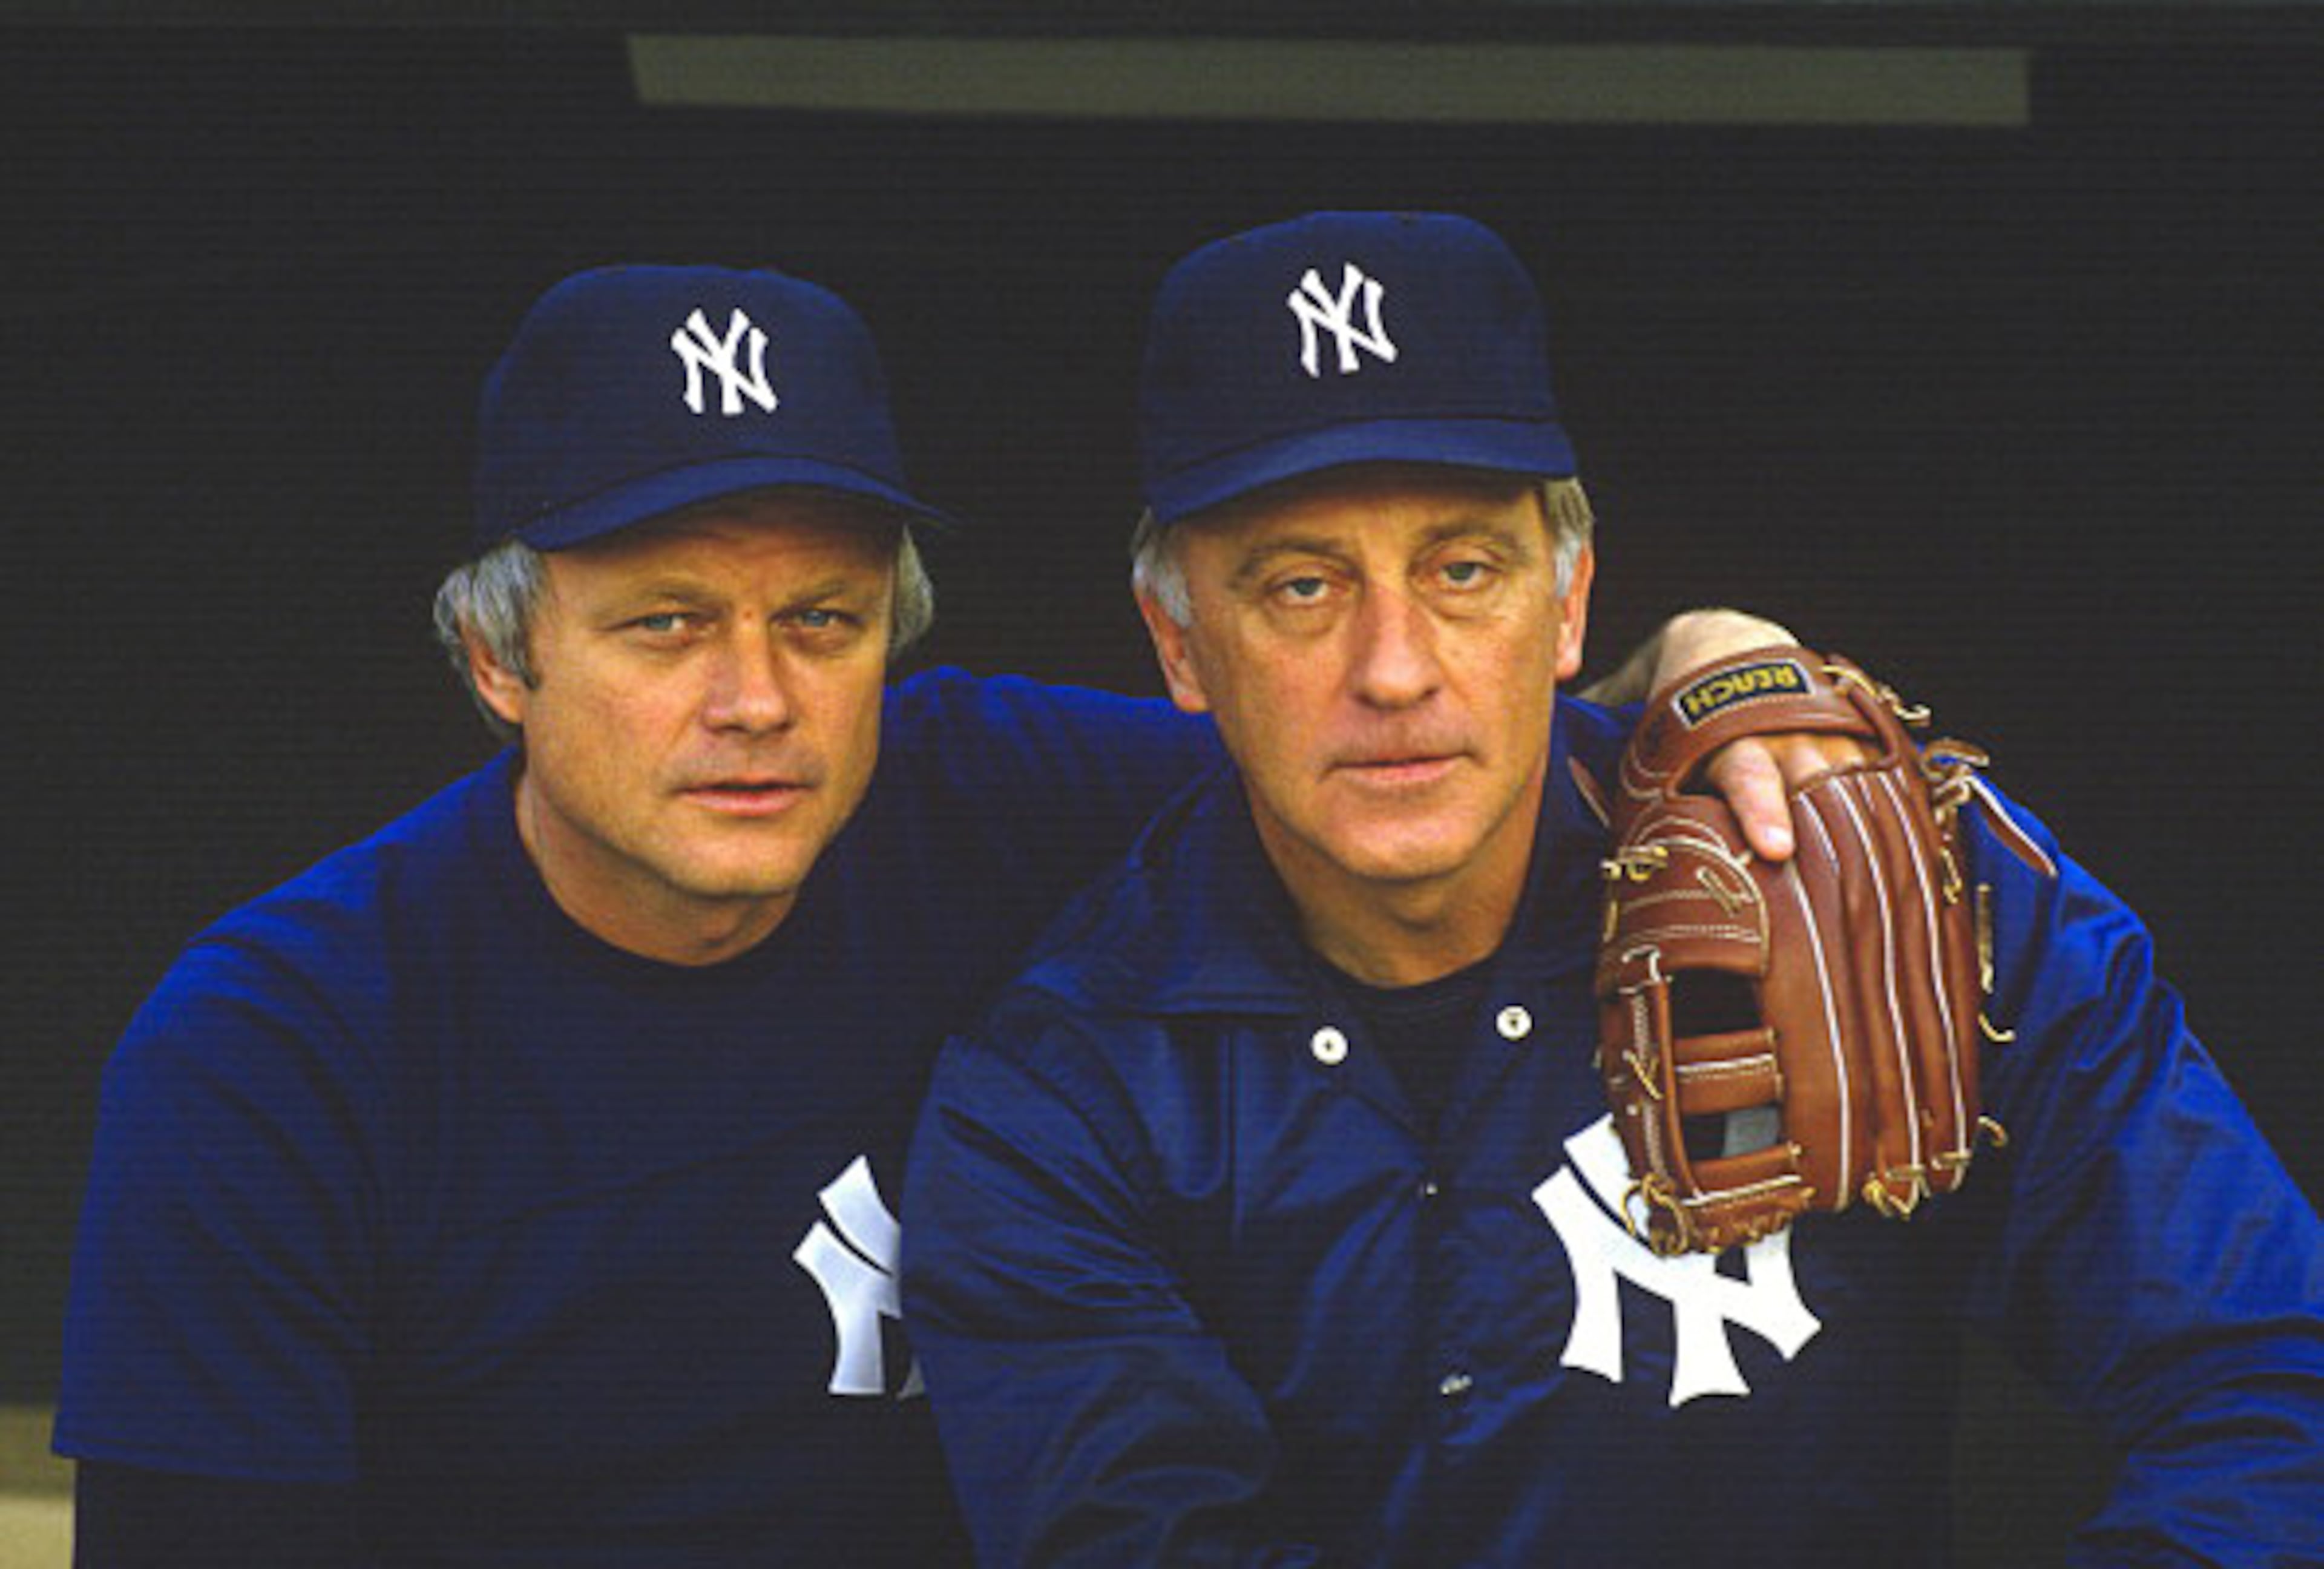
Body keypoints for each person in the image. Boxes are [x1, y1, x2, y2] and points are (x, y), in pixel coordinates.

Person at [51, 259, 1816, 1567]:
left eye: (821, 621)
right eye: (666, 624)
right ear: (499, 659)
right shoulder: (277, 1047)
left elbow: (1400, 755)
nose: (757, 699)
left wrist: (1708, 667)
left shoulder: (990, 794)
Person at [902, 211, 2324, 1567]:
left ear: (1571, 602)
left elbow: (2270, 1382)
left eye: (1465, 569)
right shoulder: (1056, 1097)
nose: (1395, 669)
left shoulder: (1890, 888)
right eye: (1300, 588)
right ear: (1178, 643)